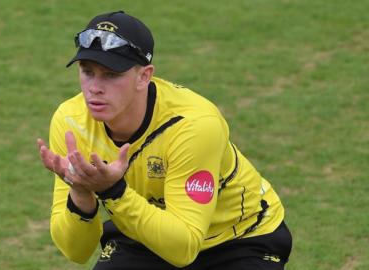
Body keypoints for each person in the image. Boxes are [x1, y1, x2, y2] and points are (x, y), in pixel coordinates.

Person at [37, 10, 292, 270]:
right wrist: (80, 192)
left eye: (111, 75)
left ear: (144, 76)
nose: (94, 87)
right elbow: (75, 251)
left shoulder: (193, 125)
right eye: (87, 71)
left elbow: (184, 248)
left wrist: (112, 191)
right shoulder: (70, 122)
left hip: (240, 240)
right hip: (145, 234)